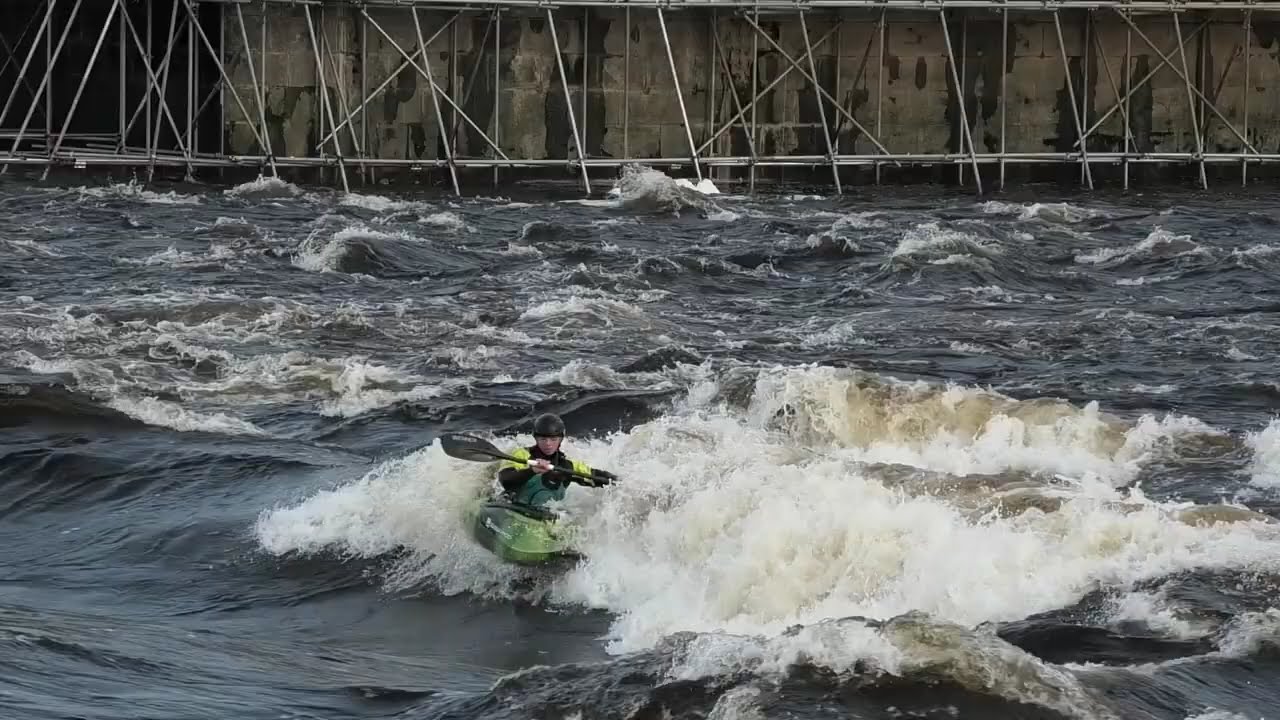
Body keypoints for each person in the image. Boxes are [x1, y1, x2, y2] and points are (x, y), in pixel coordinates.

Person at [496, 413, 617, 508]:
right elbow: (505, 480)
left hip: (542, 518)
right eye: (543, 439)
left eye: (553, 439)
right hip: (512, 507)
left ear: (561, 439)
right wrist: (532, 471)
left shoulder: (567, 466)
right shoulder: (521, 455)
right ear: (536, 438)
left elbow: (595, 476)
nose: (548, 444)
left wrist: (619, 482)